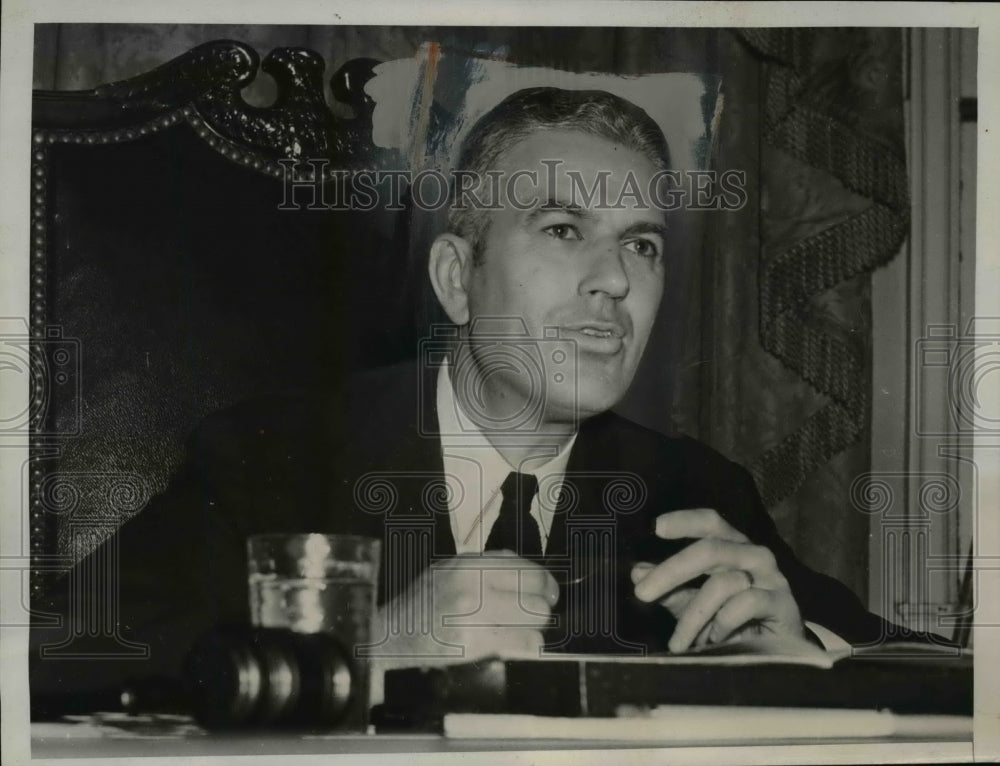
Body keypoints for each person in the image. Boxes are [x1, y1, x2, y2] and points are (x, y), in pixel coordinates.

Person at [29, 86, 917, 711]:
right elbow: (54, 651)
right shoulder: (272, 453)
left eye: (642, 245)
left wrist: (807, 656)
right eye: (565, 230)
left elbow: (925, 669)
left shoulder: (697, 491)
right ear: (458, 279)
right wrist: (363, 656)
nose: (615, 279)